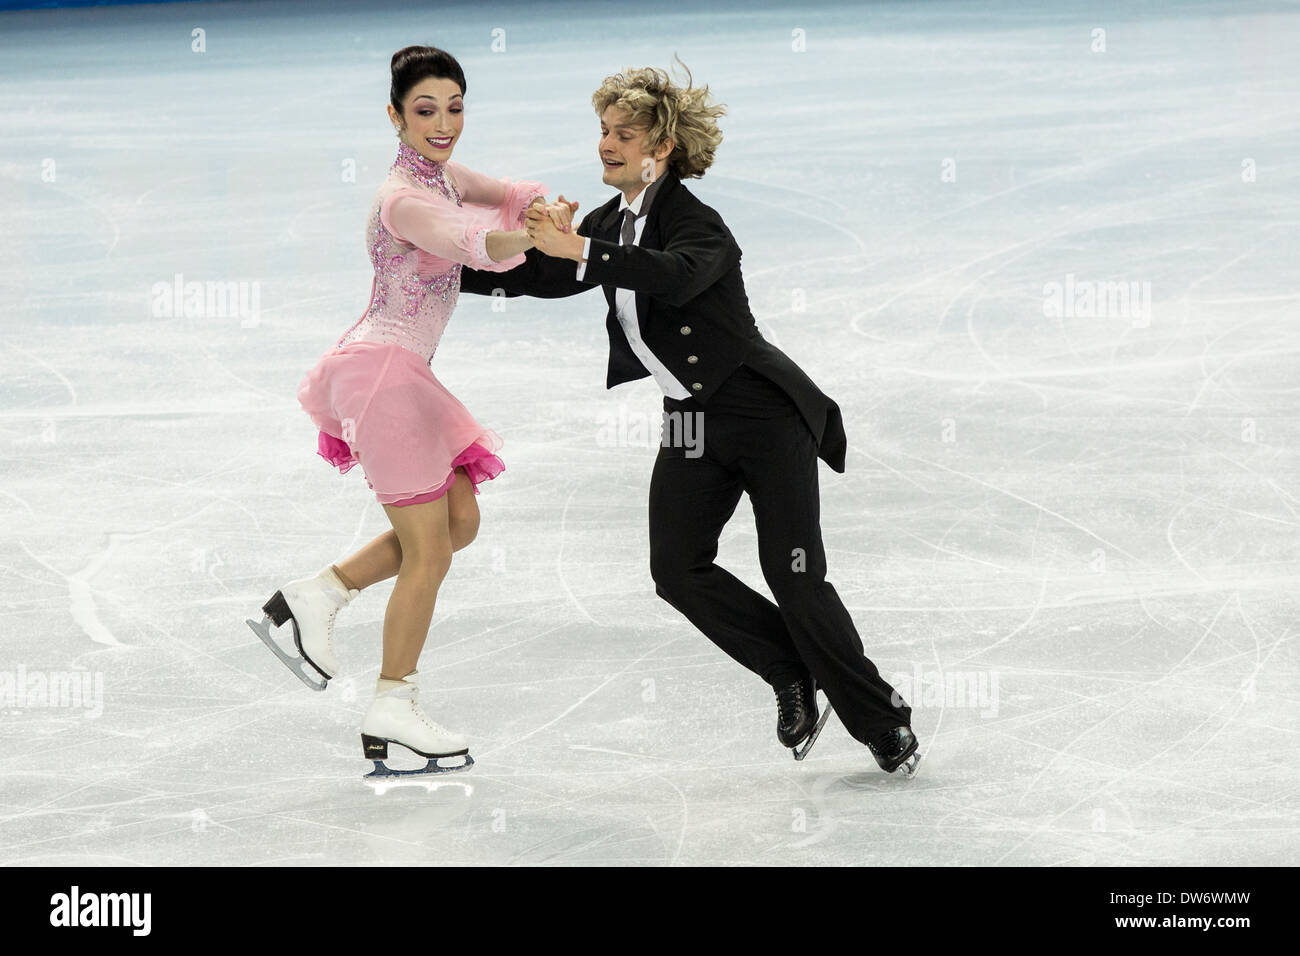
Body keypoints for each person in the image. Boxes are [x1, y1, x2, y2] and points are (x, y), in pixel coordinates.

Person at [459, 63, 921, 777]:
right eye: (603, 131)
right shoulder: (610, 222)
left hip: (763, 413)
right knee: (676, 568)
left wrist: (579, 247)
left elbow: (672, 274)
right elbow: (543, 278)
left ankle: (882, 719)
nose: (608, 144)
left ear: (661, 146)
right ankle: (790, 669)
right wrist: (444, 260)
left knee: (794, 576)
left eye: (625, 133)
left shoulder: (696, 222)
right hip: (688, 419)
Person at [247, 45, 575, 781]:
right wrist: (530, 238)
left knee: (458, 522)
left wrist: (543, 209)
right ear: (394, 115)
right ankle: (394, 707)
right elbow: (472, 241)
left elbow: (506, 193)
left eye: (455, 107)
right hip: (382, 376)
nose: (443, 122)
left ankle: (317, 594)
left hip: (397, 374)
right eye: (425, 110)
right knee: (429, 548)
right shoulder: (405, 197)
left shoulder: (445, 176)